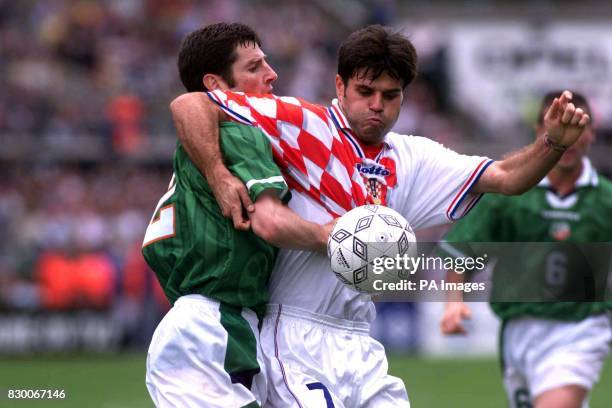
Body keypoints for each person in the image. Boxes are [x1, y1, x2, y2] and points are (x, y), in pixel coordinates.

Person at [171, 26, 590, 407]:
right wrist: (219, 175)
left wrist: (551, 143)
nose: (377, 106)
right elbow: (192, 104)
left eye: (391, 96)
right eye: (365, 91)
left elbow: (506, 178)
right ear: (340, 86)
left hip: (362, 342)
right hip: (295, 337)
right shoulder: (300, 123)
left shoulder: (413, 158)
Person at [142, 23, 333, 407]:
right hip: (213, 326)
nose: (272, 74)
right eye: (254, 67)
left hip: (213, 324)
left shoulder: (202, 144)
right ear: (217, 85)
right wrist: (335, 236)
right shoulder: (242, 134)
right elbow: (270, 221)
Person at [439, 92, 611, 408]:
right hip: (518, 332)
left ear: (592, 132)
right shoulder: (511, 193)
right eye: (558, 125)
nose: (569, 136)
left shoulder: (606, 200)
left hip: (582, 329)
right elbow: (462, 251)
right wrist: (453, 303)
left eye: (578, 125)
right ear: (540, 132)